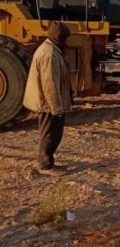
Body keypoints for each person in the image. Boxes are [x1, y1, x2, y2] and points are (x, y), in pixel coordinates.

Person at [23, 21, 73, 175]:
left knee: (52, 133)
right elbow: (49, 85)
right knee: (50, 133)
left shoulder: (51, 49)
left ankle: (48, 162)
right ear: (60, 37)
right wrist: (56, 108)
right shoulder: (49, 54)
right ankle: (45, 166)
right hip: (48, 103)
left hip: (49, 102)